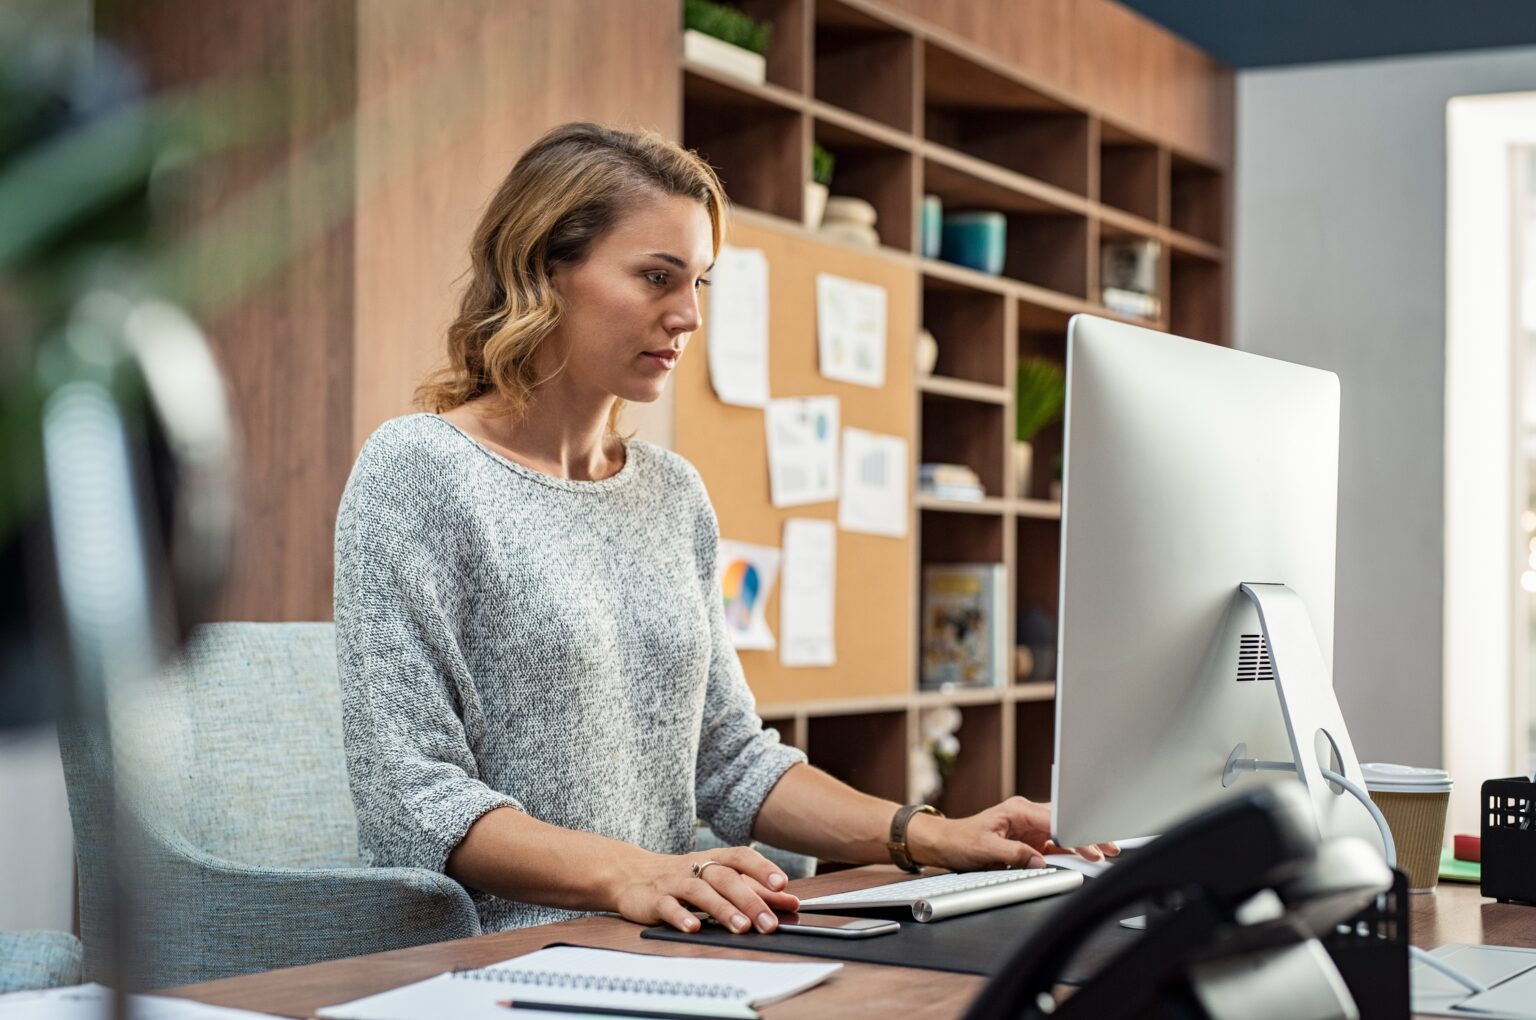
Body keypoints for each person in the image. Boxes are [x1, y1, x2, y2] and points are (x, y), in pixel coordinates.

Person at [334, 121, 1116, 938]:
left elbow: (732, 761)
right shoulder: (418, 470)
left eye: (699, 283)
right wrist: (634, 872)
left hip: (667, 943)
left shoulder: (673, 494)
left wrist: (930, 835)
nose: (688, 316)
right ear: (545, 271)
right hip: (497, 959)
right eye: (657, 277)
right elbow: (412, 797)